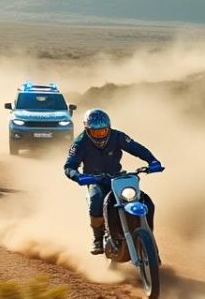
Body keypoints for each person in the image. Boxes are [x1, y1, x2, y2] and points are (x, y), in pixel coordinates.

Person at [63, 108, 162, 255]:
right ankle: (97, 239)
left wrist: (152, 161)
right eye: (96, 132)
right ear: (87, 130)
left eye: (103, 131)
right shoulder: (79, 143)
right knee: (96, 199)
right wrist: (78, 176)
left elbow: (136, 148)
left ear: (109, 128)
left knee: (146, 200)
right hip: (95, 179)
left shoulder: (117, 136)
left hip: (117, 177)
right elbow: (69, 166)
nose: (100, 135)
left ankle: (148, 237)